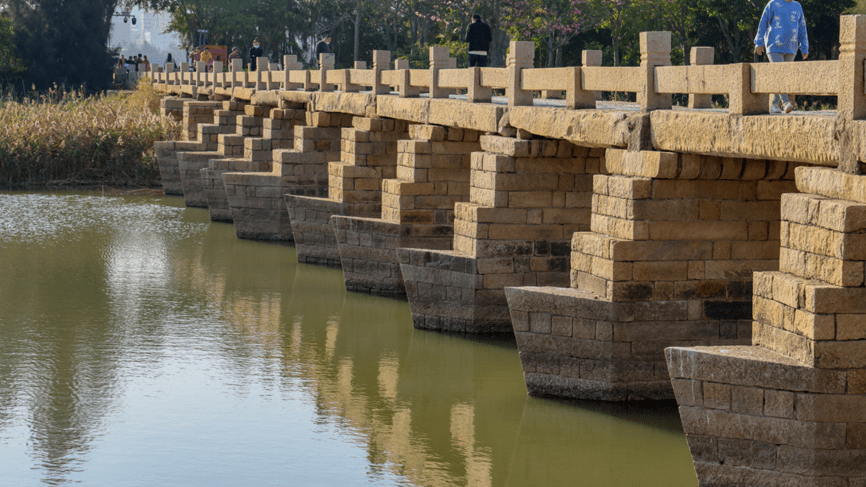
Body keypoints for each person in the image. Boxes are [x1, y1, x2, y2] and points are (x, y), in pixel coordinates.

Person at [754, 0, 808, 114]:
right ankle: (786, 103)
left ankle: (774, 105)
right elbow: (763, 22)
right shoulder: (773, 4)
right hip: (774, 46)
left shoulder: (797, 6)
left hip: (791, 47)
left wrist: (804, 47)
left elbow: (802, 27)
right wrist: (758, 42)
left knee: (784, 77)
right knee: (780, 74)